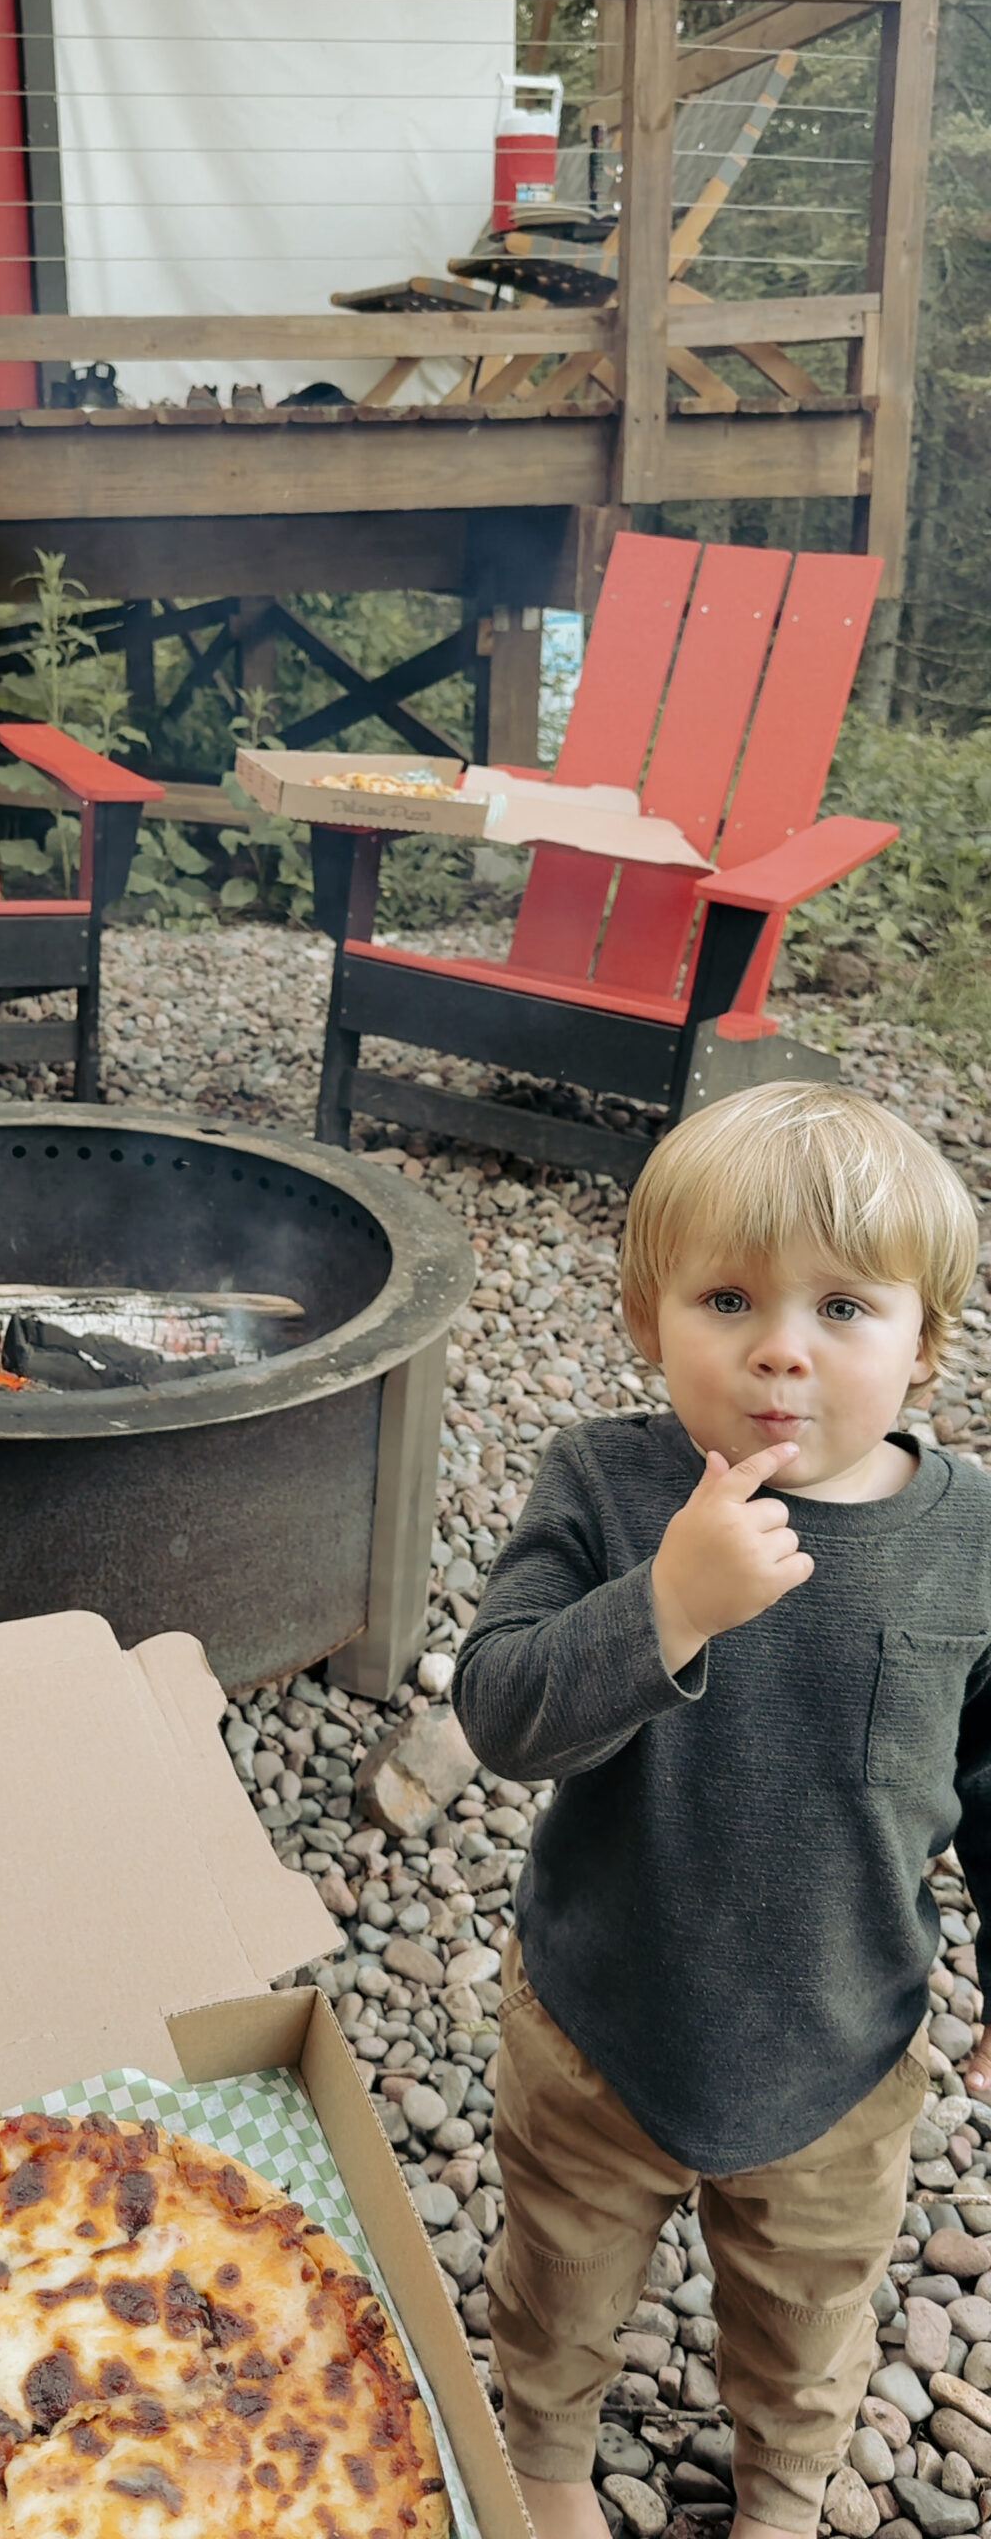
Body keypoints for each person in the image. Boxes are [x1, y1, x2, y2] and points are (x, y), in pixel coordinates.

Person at [452, 1081, 991, 2539]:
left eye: (844, 1310)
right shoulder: (610, 1488)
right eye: (731, 1297)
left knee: (809, 2321)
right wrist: (666, 1608)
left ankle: (782, 2496)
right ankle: (548, 2467)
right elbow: (500, 1710)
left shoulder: (970, 1541)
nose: (780, 1350)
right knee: (556, 2284)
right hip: (598, 2024)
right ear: (647, 1318)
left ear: (923, 1343)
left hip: (840, 2047)